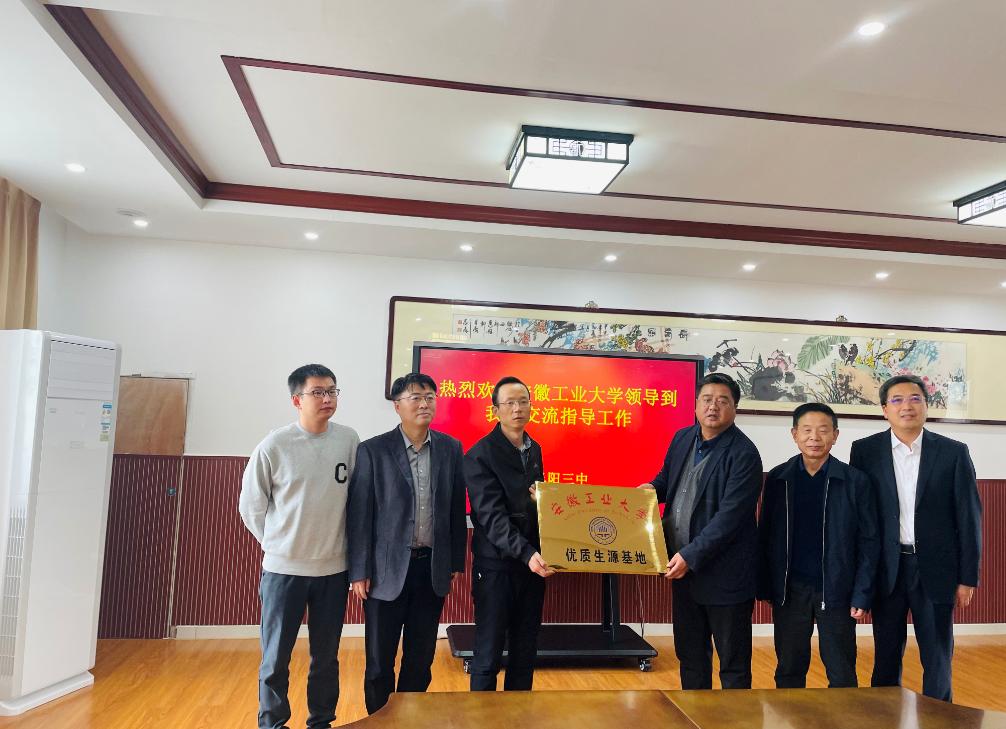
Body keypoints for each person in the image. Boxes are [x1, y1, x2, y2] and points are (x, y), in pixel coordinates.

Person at [239, 364, 360, 729]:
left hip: (333, 571)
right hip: (283, 572)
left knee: (326, 658)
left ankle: (321, 721)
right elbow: (251, 507)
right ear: (296, 400)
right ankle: (273, 723)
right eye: (317, 392)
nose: (327, 398)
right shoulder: (274, 445)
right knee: (275, 658)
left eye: (332, 391)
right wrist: (278, 545)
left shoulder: (348, 440)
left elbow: (356, 501)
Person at [850, 374, 982, 702]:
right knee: (885, 655)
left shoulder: (953, 452)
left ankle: (940, 719)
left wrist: (967, 578)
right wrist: (861, 578)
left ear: (926, 405)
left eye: (914, 399)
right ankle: (884, 717)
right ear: (885, 409)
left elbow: (969, 519)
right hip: (887, 568)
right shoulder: (865, 451)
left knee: (937, 657)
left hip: (936, 570)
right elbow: (860, 520)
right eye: (897, 400)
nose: (906, 406)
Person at [346, 373, 467, 714]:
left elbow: (455, 508)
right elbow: (360, 515)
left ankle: (409, 719)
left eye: (429, 397)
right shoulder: (373, 450)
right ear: (397, 406)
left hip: (431, 569)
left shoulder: (450, 448)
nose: (424, 403)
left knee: (420, 658)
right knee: (379, 662)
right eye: (415, 397)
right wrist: (359, 571)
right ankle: (380, 720)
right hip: (384, 573)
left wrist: (453, 562)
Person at [640, 372, 763, 690]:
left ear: (735, 408)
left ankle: (734, 717)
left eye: (723, 401)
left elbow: (729, 519)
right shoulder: (683, 438)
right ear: (695, 405)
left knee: (733, 664)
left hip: (725, 577)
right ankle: (694, 714)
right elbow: (666, 480)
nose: (713, 407)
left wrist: (690, 556)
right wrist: (646, 492)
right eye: (707, 399)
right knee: (691, 656)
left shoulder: (745, 454)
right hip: (684, 574)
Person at [757, 402, 879, 688]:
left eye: (823, 430)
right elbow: (766, 535)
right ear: (794, 434)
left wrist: (862, 593)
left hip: (837, 588)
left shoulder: (855, 481)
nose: (814, 437)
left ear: (835, 436)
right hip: (790, 590)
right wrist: (765, 585)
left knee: (841, 670)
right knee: (789, 669)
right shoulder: (778, 478)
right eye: (807, 430)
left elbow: (869, 542)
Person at [464, 376, 555, 691]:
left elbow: (533, 503)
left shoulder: (534, 449)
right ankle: (481, 715)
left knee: (525, 651)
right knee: (488, 653)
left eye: (523, 402)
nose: (518, 409)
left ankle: (519, 714)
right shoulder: (480, 454)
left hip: (532, 565)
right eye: (510, 403)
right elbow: (491, 518)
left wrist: (544, 503)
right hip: (497, 567)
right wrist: (528, 553)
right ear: (496, 410)